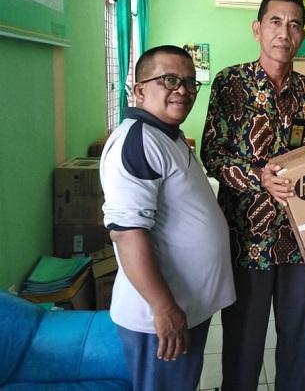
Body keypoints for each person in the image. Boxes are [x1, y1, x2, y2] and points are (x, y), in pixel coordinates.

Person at [201, 0, 305, 391]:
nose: (284, 33)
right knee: (244, 336)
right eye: (275, 21)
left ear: (302, 35)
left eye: (294, 25)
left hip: (297, 237)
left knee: (297, 334)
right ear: (257, 28)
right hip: (245, 238)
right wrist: (259, 177)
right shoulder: (230, 83)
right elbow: (212, 154)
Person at [100, 45, 235, 391]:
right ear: (139, 89)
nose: (183, 90)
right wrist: (163, 308)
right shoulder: (138, 141)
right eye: (169, 80)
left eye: (190, 82)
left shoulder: (166, 135)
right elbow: (127, 234)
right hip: (158, 318)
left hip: (185, 306)